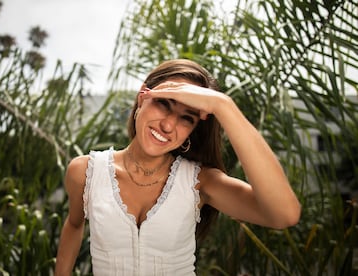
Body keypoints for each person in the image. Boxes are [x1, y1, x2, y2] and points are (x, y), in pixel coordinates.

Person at [54, 59, 301, 275]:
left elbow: (284, 215)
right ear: (143, 97)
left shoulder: (200, 182)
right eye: (164, 104)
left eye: (187, 118)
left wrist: (223, 106)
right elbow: (75, 224)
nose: (169, 126)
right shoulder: (85, 172)